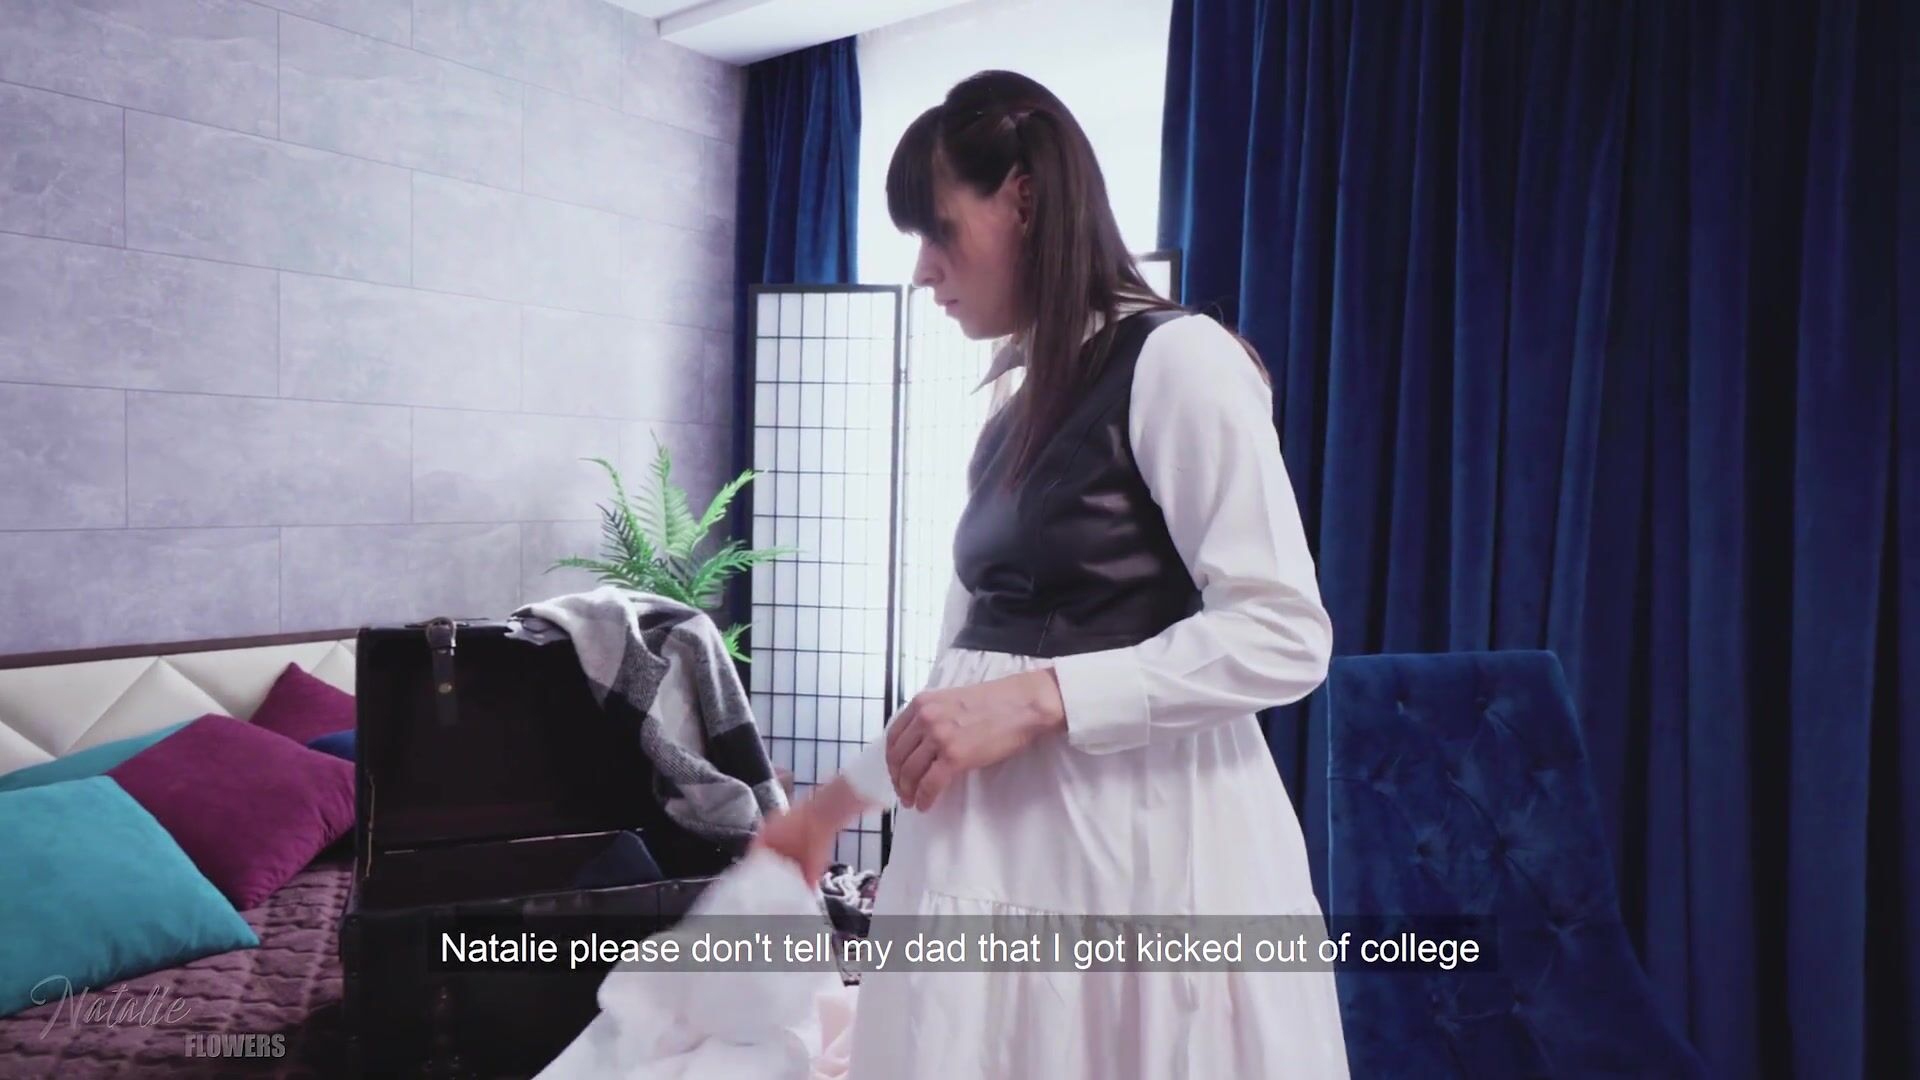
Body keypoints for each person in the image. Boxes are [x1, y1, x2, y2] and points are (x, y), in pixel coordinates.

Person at [753, 70, 1351, 1079]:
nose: (924, 272)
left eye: (940, 231)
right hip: (986, 857)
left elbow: (1285, 633)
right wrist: (832, 808)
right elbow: (963, 677)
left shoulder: (1180, 360)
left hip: (1135, 854)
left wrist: (1047, 697)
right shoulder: (1012, 414)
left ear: (1023, 200)